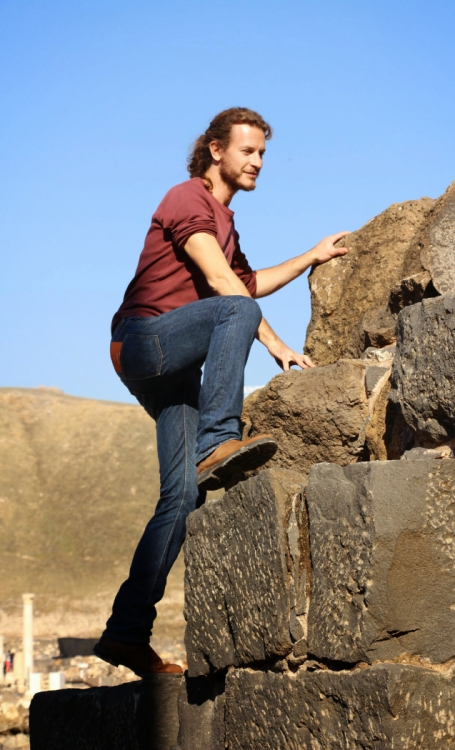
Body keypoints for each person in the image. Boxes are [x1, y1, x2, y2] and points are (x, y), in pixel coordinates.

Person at [94, 107, 349, 677]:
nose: (258, 162)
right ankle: (218, 438)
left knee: (183, 497)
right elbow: (224, 287)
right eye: (247, 151)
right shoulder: (187, 197)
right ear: (216, 150)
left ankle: (126, 633)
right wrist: (277, 345)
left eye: (263, 154)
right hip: (143, 341)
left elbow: (246, 283)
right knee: (236, 309)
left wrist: (311, 255)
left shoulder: (225, 225)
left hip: (175, 368)